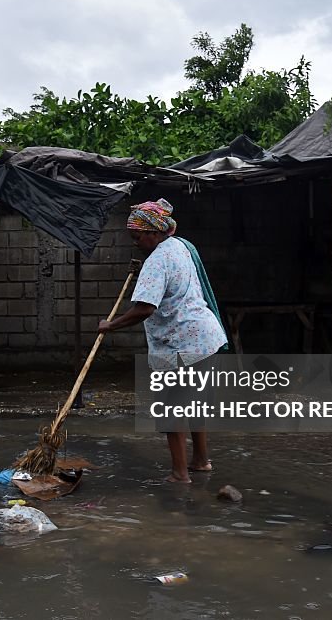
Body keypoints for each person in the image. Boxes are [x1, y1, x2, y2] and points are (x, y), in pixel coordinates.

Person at [98, 199, 227, 483]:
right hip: (206, 338)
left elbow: (145, 308)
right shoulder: (180, 246)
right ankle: (200, 460)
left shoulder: (157, 261)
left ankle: (180, 474)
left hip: (182, 343)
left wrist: (111, 326)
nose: (135, 243)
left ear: (155, 232)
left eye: (138, 236)